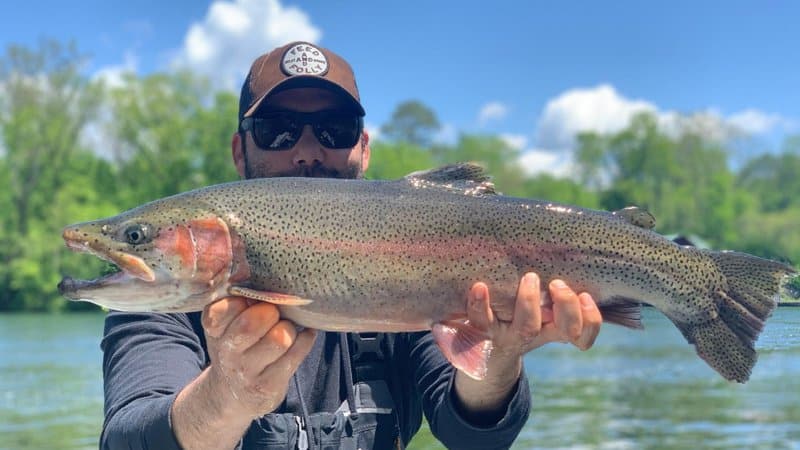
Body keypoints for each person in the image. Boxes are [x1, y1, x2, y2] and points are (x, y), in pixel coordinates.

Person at [100, 41, 603, 450]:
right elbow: (128, 435)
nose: (307, 150)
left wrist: (497, 362)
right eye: (277, 131)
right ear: (240, 150)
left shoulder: (408, 249)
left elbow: (469, 434)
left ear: (363, 149)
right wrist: (226, 396)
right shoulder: (162, 289)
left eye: (334, 130)